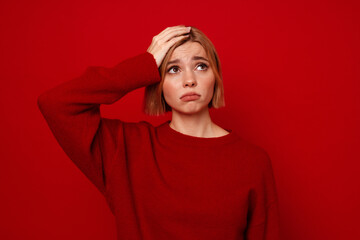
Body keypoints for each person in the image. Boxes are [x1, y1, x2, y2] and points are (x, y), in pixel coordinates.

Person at [37, 25, 280, 240]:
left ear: (215, 77)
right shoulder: (126, 149)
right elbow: (55, 104)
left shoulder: (252, 161)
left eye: (200, 66)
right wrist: (143, 64)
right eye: (173, 69)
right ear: (158, 82)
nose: (189, 80)